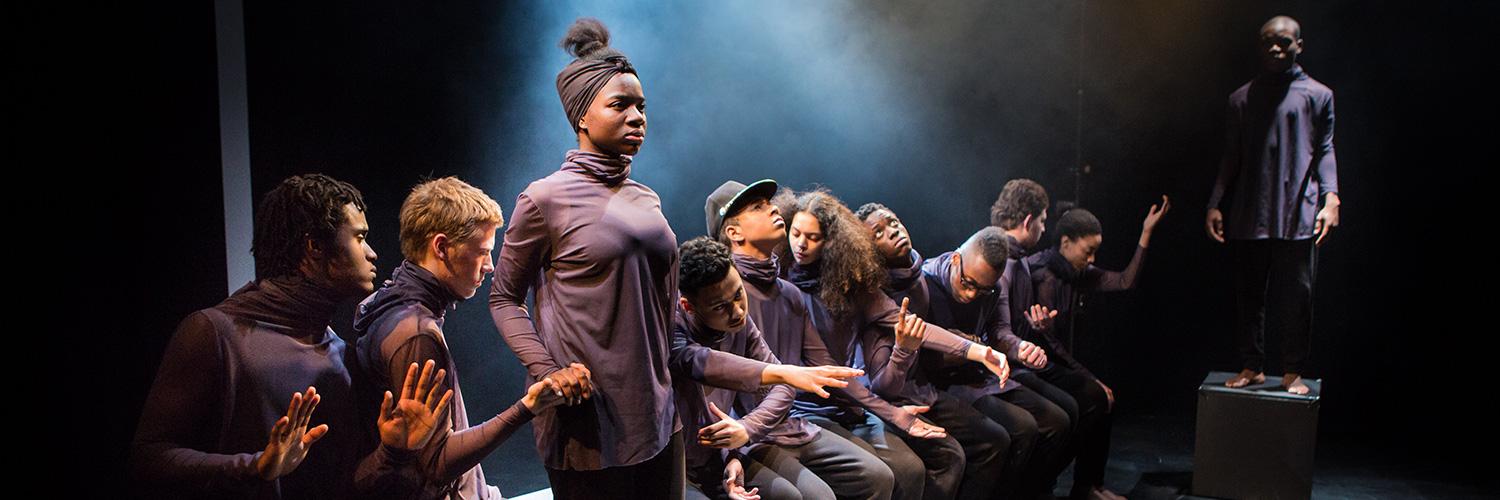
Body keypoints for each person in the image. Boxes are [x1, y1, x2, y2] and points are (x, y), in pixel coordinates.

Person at [131, 174, 447, 499]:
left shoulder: (343, 357)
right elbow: (149, 457)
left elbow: (345, 488)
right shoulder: (214, 332)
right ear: (314, 246)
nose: (372, 253)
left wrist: (393, 453)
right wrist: (254, 467)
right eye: (359, 237)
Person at [352, 177, 591, 499]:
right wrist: (528, 406)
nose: (490, 266)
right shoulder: (416, 334)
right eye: (482, 252)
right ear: (441, 247)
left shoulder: (391, 305)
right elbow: (436, 463)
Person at [711, 179, 943, 500]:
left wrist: (893, 412)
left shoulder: (788, 293)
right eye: (758, 208)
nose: (774, 209)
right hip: (754, 431)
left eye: (769, 204)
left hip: (792, 420)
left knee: (880, 476)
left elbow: (823, 370)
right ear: (734, 232)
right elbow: (714, 390)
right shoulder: (725, 298)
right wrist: (733, 452)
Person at [780, 189, 1013, 500]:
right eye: (795, 233)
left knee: (926, 464)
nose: (801, 244)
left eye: (813, 237)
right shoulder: (785, 284)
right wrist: (892, 411)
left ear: (832, 243)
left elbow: (916, 328)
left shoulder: (852, 283)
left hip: (849, 403)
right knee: (902, 470)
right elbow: (837, 373)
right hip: (812, 405)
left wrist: (980, 351)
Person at [860, 204, 1071, 500]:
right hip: (918, 386)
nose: (972, 293)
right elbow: (893, 375)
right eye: (878, 232)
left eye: (893, 222)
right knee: (991, 440)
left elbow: (999, 331)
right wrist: (972, 349)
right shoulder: (892, 289)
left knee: (1057, 417)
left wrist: (1017, 347)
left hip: (943, 381)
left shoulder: (918, 276)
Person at [673, 236, 871, 500]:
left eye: (738, 295)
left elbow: (782, 390)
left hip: (726, 454)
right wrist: (785, 373)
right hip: (679, 465)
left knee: (819, 496)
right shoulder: (671, 329)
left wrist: (744, 433)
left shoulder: (739, 323)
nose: (738, 312)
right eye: (721, 306)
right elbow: (700, 363)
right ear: (688, 306)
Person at [1206, 15, 1340, 395]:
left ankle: (1293, 370)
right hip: (1251, 211)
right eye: (1268, 42)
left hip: (1298, 209)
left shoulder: (1318, 95)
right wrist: (1215, 203)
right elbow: (1231, 156)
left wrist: (1332, 197)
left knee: (1298, 295)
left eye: (1283, 42)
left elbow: (1326, 149)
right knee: (1249, 294)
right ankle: (1252, 365)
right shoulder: (1241, 98)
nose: (1275, 49)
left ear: (1300, 44)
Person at [1026, 199, 1168, 500]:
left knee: (1103, 399)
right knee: (1093, 396)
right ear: (1066, 243)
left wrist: (1145, 233)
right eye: (1087, 251)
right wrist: (1092, 379)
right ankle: (1042, 484)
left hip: (1057, 364)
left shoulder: (1078, 273)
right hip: (1034, 364)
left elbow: (1125, 282)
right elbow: (1050, 345)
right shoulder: (1043, 275)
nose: (1092, 259)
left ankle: (1090, 485)